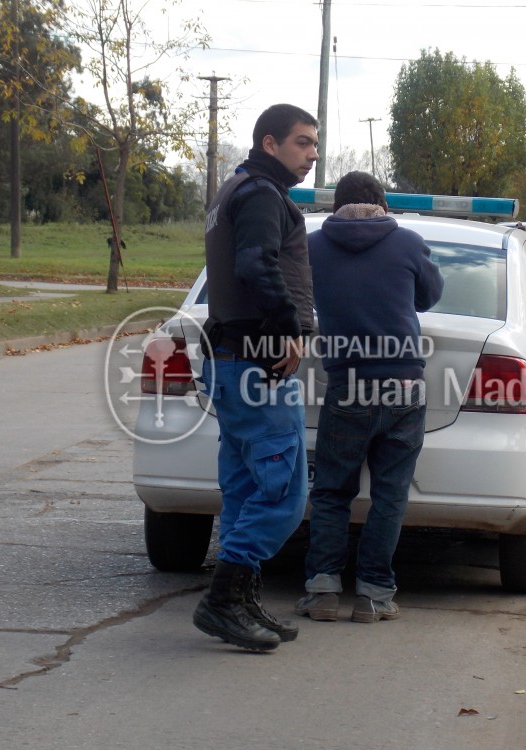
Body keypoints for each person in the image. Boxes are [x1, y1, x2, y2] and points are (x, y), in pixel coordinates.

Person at [192, 103, 319, 652]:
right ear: (269, 144)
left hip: (232, 359)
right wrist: (288, 327)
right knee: (285, 494)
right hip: (258, 362)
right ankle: (223, 600)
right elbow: (255, 264)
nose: (312, 154)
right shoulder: (263, 196)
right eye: (301, 143)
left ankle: (241, 603)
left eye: (314, 144)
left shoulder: (235, 190)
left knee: (245, 487)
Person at [295, 171, 444, 624]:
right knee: (390, 494)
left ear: (335, 205)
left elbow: (298, 296)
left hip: (349, 384)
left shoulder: (313, 247)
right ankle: (375, 596)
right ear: (383, 203)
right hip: (403, 383)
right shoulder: (408, 243)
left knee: (332, 491)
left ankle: (323, 590)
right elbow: (430, 296)